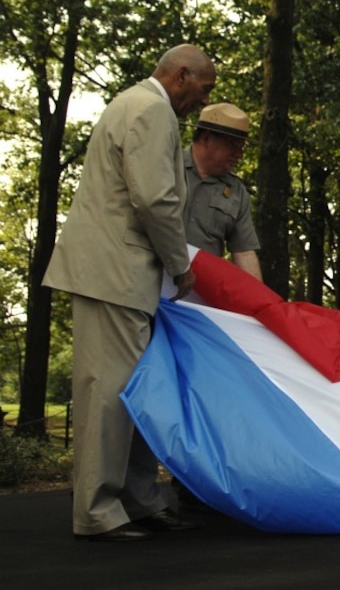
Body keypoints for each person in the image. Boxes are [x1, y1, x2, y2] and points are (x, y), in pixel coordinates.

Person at [42, 44, 216, 541]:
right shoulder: (153, 109)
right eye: (203, 90)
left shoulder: (132, 104)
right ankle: (97, 511)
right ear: (181, 76)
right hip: (115, 272)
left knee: (138, 391)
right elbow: (154, 199)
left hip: (120, 271)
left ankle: (138, 500)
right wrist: (181, 267)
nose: (201, 104)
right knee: (112, 393)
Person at [183, 103, 262, 281]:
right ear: (206, 138)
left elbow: (244, 253)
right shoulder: (165, 166)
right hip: (145, 282)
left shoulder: (237, 192)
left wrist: (259, 304)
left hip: (196, 291)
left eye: (242, 148)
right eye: (234, 146)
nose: (239, 155)